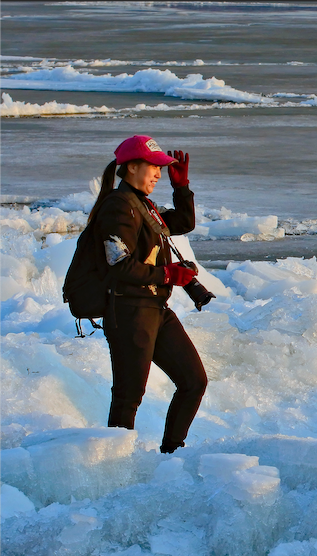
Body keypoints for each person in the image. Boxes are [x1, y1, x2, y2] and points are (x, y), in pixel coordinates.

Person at [90, 135, 207, 453]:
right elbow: (119, 264)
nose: (158, 172)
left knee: (193, 381)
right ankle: (113, 468)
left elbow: (182, 223)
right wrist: (168, 273)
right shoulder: (117, 207)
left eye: (161, 167)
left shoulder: (144, 207)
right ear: (131, 168)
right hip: (128, 310)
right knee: (128, 397)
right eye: (153, 166)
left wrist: (181, 188)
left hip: (155, 307)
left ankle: (171, 454)